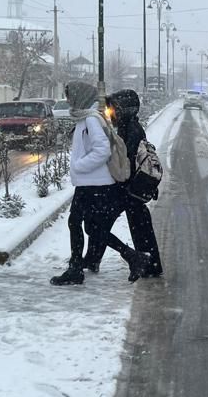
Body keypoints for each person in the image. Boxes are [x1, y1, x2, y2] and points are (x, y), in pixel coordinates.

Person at [50, 81, 142, 286]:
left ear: (80, 96)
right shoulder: (86, 117)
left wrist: (79, 166)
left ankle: (77, 268)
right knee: (91, 227)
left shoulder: (91, 119)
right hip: (91, 182)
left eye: (70, 96)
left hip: (94, 183)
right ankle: (130, 256)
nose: (68, 100)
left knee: (79, 223)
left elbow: (102, 150)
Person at [88, 89, 163, 278]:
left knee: (98, 223)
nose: (111, 112)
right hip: (131, 190)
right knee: (137, 224)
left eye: (114, 108)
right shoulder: (128, 127)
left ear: (125, 109)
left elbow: (125, 162)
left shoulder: (132, 130)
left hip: (127, 189)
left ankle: (143, 262)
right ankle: (149, 263)